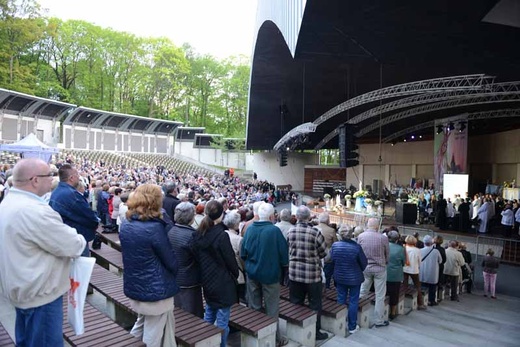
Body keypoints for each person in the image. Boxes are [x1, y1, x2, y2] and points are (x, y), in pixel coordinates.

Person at [0, 158, 86, 347]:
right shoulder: (34, 211)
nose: (53, 179)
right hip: (40, 296)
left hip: (22, 290)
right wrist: (77, 236)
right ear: (35, 180)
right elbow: (73, 244)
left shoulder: (8, 202)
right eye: (49, 175)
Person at [120, 184, 179, 347]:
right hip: (156, 289)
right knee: (153, 334)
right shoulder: (154, 228)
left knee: (140, 325)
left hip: (137, 285)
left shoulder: (126, 223)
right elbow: (171, 262)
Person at [191, 200, 239, 347]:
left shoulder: (198, 234)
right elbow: (230, 260)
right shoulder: (221, 235)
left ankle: (206, 343)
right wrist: (235, 275)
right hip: (222, 282)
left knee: (209, 314)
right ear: (220, 215)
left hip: (207, 280)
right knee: (222, 321)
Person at [241, 202, 289, 346]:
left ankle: (255, 336)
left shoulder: (249, 230)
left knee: (254, 307)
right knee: (272, 308)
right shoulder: (274, 231)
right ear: (270, 216)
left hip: (252, 274)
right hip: (270, 275)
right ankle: (274, 339)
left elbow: (243, 253)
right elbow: (284, 256)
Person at [287, 205, 329, 340]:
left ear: (297, 217)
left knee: (295, 302)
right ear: (309, 217)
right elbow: (324, 253)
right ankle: (315, 332)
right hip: (312, 275)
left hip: (294, 274)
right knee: (315, 304)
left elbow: (288, 249)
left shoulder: (290, 231)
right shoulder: (315, 233)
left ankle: (295, 330)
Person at [49, 164, 100, 256]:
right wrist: (96, 222)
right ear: (71, 178)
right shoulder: (72, 195)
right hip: (75, 239)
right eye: (77, 175)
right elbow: (89, 216)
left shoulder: (57, 191)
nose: (79, 177)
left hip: (65, 237)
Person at [167, 202, 204, 318]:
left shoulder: (171, 231)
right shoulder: (192, 235)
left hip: (175, 276)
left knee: (179, 312)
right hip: (189, 280)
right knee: (192, 314)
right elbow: (200, 258)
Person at [330, 225, 367, 334]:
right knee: (353, 301)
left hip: (340, 277)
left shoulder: (335, 245)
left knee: (341, 299)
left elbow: (331, 259)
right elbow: (364, 264)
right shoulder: (357, 247)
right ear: (351, 235)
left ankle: (340, 324)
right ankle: (352, 326)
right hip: (355, 278)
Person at [358, 217, 390, 327]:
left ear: (368, 225)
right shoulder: (383, 238)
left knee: (362, 291)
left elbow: (359, 252)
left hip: (366, 268)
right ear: (377, 226)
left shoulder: (361, 236)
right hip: (380, 269)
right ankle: (378, 321)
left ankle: (357, 316)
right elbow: (387, 254)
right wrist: (385, 262)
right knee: (380, 296)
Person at [223, 211, 247, 303]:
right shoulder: (239, 239)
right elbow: (242, 258)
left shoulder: (223, 234)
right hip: (238, 273)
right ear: (236, 224)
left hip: (226, 272)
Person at [403, 235, 427, 310]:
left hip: (404, 269)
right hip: (414, 269)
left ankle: (403, 300)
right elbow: (420, 261)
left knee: (404, 285)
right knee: (417, 286)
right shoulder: (417, 250)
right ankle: (420, 304)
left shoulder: (404, 248)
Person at [386, 229, 406, 320]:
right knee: (394, 293)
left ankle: (383, 310)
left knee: (383, 292)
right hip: (396, 275)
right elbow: (403, 262)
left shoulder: (384, 246)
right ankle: (392, 312)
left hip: (385, 272)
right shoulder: (401, 249)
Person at [419, 235, 443, 306]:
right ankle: (431, 301)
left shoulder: (420, 251)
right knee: (432, 288)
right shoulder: (436, 251)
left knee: (423, 286)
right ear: (432, 243)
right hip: (433, 272)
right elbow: (440, 261)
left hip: (423, 271)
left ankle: (423, 300)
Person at [317, 212, 338, 289]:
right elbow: (336, 244)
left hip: (315, 254)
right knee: (327, 273)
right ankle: (326, 287)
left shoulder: (314, 228)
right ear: (328, 220)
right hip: (327, 255)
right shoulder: (331, 230)